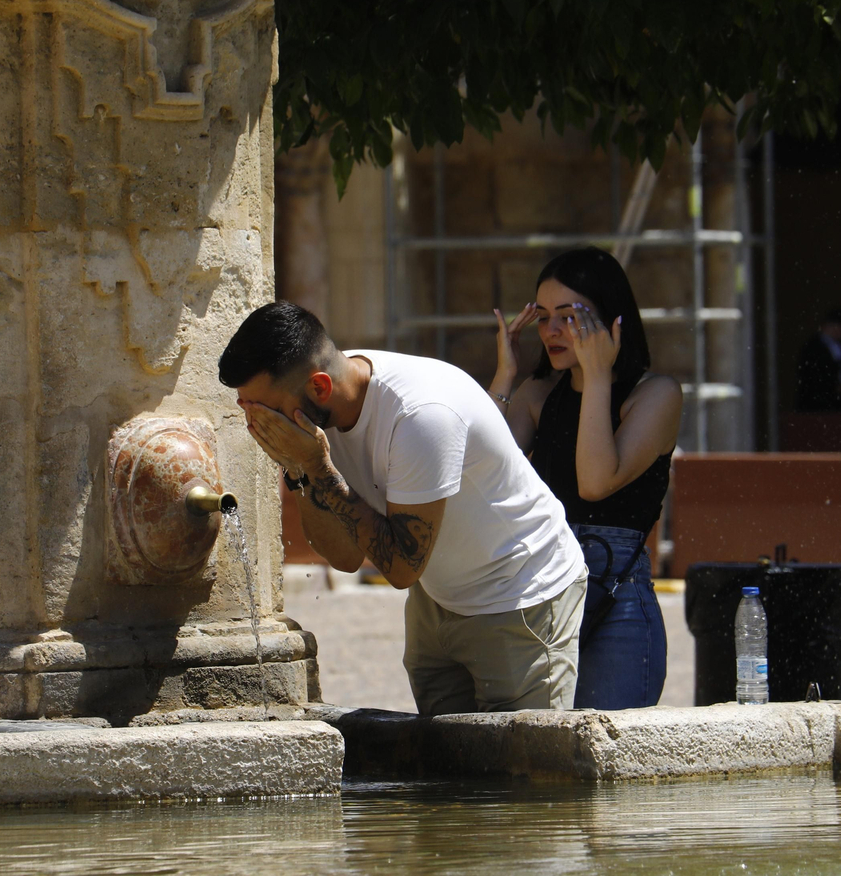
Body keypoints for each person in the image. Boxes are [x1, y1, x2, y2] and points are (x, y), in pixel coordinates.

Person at [218, 301, 588, 716]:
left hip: (520, 595)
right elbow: (344, 556)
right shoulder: (322, 413)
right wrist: (300, 468)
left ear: (319, 387)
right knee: (443, 771)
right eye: (247, 410)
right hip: (436, 599)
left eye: (266, 410)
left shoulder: (421, 416)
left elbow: (399, 567)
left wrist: (318, 467)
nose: (259, 424)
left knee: (524, 771)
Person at [487, 248, 683, 709]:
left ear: (612, 322)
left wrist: (598, 378)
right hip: (542, 596)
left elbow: (595, 483)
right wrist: (505, 373)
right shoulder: (537, 394)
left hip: (618, 606)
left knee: (609, 762)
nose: (552, 331)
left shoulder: (655, 394)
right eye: (544, 317)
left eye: (570, 317)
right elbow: (481, 476)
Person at [795, 308, 841, 411]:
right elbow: (813, 377)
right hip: (816, 406)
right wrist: (836, 388)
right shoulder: (813, 347)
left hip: (836, 405)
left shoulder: (838, 347)